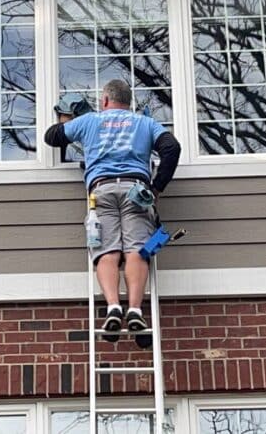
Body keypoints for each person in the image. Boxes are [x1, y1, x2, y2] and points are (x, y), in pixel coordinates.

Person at [44, 80, 181, 348]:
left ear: (105, 100)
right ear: (127, 101)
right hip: (136, 191)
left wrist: (66, 118)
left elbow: (52, 136)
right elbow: (171, 148)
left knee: (106, 252)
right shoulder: (145, 123)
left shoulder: (90, 121)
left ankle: (113, 308)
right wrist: (157, 187)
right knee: (136, 251)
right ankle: (135, 311)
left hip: (101, 191)